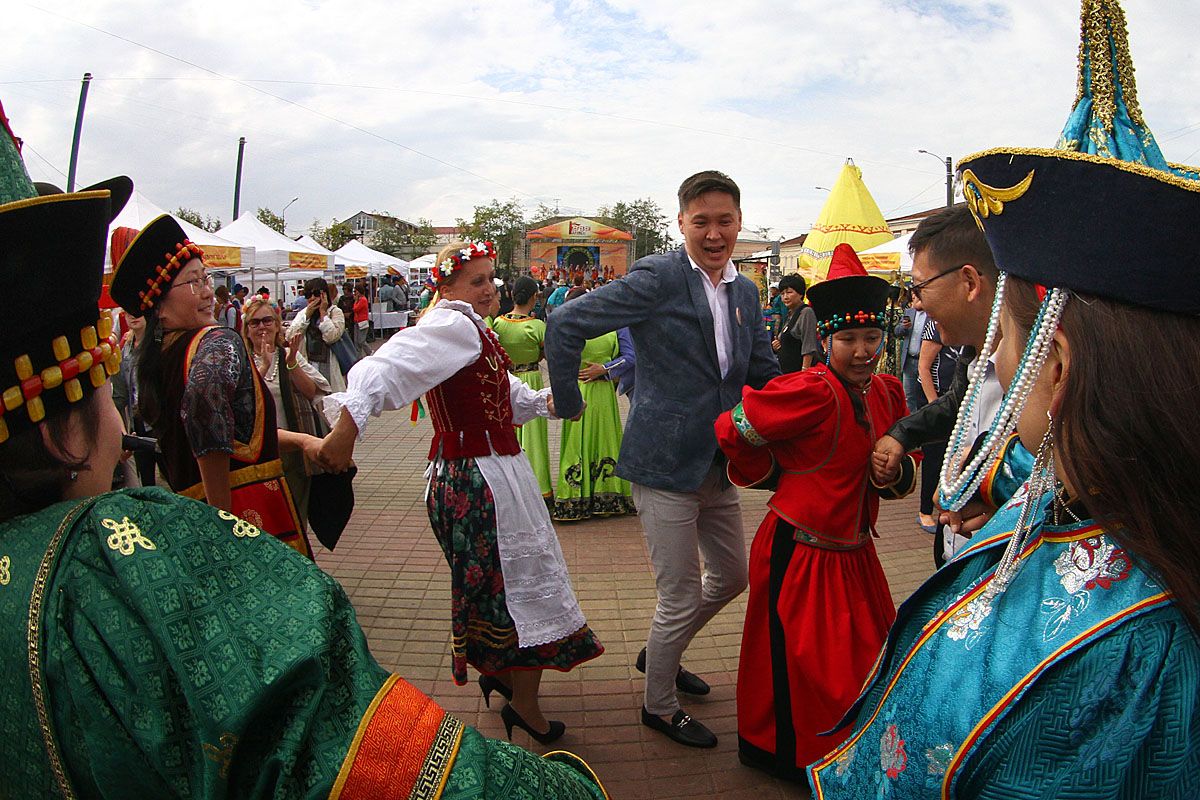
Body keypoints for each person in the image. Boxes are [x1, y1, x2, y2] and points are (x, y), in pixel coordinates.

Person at [0, 115, 609, 800]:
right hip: (267, 501)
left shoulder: (173, 360)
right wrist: (232, 517)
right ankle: (514, 690)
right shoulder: (214, 360)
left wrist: (312, 438)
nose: (209, 293)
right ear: (63, 438)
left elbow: (238, 435)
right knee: (286, 650)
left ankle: (509, 681)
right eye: (195, 282)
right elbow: (231, 435)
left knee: (499, 588)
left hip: (300, 489)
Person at [814, 4, 1200, 795]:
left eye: (1010, 339)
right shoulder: (1138, 508)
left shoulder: (1104, 652)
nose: (996, 357)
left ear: (1054, 365)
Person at [318, 241, 603, 745]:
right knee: (517, 587)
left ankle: (502, 676)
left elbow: (503, 397)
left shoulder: (471, 329)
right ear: (445, 287)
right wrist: (348, 427)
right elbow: (384, 367)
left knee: (503, 585)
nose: (490, 288)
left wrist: (550, 403)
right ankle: (525, 706)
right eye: (478, 281)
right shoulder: (451, 325)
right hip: (481, 477)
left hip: (481, 471)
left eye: (491, 278)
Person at [547, 170, 779, 748]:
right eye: (701, 221)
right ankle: (659, 703)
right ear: (681, 224)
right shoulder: (658, 277)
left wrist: (799, 414)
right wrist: (569, 401)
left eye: (724, 220)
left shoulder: (747, 291)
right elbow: (565, 323)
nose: (715, 233)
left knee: (731, 577)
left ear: (739, 221)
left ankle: (661, 653)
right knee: (678, 593)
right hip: (661, 462)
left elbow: (759, 371)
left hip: (718, 461)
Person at [715, 243, 918, 782]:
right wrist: (777, 475)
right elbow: (733, 429)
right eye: (848, 339)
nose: (862, 350)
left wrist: (891, 473)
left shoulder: (888, 393)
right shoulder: (809, 392)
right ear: (824, 339)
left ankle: (853, 761)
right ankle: (792, 759)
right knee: (802, 671)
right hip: (799, 555)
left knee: (870, 666)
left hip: (855, 555)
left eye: (871, 338)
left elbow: (906, 466)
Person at [110, 214, 317, 559]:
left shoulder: (158, 360)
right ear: (159, 307)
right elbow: (204, 406)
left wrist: (305, 441)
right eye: (194, 283)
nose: (208, 292)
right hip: (249, 523)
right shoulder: (217, 339)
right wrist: (221, 520)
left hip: (189, 524)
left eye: (205, 278)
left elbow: (228, 431)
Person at [871, 204, 1001, 565]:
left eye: (920, 288)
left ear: (970, 282)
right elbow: (956, 406)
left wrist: (1011, 510)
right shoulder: (973, 353)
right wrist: (901, 433)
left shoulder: (1047, 371)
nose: (919, 306)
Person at [241, 295, 330, 540]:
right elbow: (242, 403)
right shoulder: (241, 361)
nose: (262, 327)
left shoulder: (288, 354)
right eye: (255, 323)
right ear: (246, 329)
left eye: (267, 321)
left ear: (278, 324)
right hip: (256, 453)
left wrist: (291, 364)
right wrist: (262, 367)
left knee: (295, 517)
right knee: (263, 519)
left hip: (290, 451)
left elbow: (312, 391)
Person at [551, 287, 637, 522]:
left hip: (602, 393)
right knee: (576, 442)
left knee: (604, 440)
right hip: (576, 391)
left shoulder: (617, 325)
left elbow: (631, 357)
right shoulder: (566, 330)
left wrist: (605, 368)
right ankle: (577, 494)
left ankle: (606, 495)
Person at [492, 276, 552, 501]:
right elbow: (547, 355)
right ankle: (539, 487)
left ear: (510, 294)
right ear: (535, 296)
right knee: (534, 436)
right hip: (531, 378)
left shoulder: (497, 323)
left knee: (506, 431)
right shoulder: (537, 326)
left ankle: (506, 487)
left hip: (505, 381)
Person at [286, 276, 347, 393]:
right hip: (308, 363)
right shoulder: (303, 314)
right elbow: (290, 337)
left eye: (316, 294)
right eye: (308, 295)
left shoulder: (335, 312)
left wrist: (323, 314)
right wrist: (306, 317)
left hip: (329, 365)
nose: (312, 298)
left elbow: (331, 337)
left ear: (324, 294)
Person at [772, 273, 820, 373]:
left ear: (800, 294)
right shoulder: (790, 314)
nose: (785, 297)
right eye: (782, 294)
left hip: (798, 375)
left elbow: (809, 346)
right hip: (786, 373)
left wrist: (804, 372)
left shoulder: (806, 312)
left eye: (789, 292)